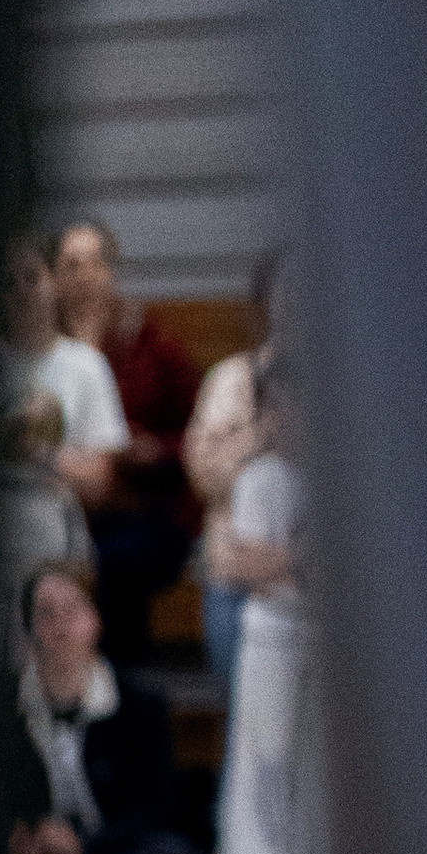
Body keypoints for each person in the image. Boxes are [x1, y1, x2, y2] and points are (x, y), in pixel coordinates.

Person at [0, 561, 206, 854]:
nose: (60, 624)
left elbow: (156, 808)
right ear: (28, 631)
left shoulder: (139, 703)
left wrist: (84, 844)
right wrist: (22, 834)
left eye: (72, 609)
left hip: (105, 852)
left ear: (95, 619)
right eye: (45, 613)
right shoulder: (4, 705)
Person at [51, 216, 202, 661]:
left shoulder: (151, 346)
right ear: (54, 280)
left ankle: (116, 692)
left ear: (113, 273)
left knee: (107, 562)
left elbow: (196, 433)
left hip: (143, 509)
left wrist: (156, 450)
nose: (85, 278)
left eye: (96, 264)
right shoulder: (43, 350)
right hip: (63, 505)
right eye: (71, 266)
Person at [214, 353, 325, 854]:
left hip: (318, 639)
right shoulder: (256, 477)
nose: (287, 415)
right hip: (269, 636)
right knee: (264, 767)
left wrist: (290, 566)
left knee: (314, 773)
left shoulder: (336, 475)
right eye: (274, 404)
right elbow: (240, 565)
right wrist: (302, 565)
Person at [0, 232, 127, 648]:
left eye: (31, 279)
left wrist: (40, 453)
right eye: (7, 283)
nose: (21, 293)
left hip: (53, 527)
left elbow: (100, 480)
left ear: (53, 282)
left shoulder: (85, 367)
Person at [184, 255, 277, 692]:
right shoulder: (232, 378)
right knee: (243, 726)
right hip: (233, 575)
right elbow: (204, 474)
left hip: (316, 584)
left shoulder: (344, 385)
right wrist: (268, 435)